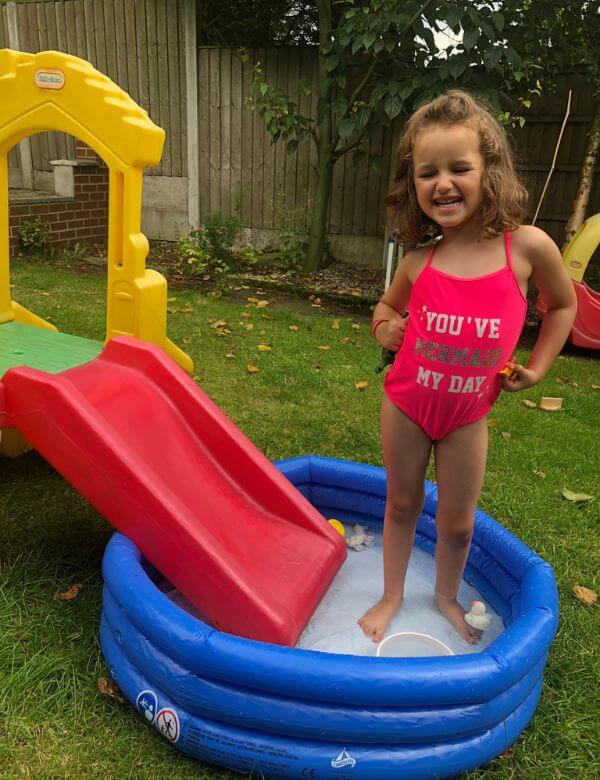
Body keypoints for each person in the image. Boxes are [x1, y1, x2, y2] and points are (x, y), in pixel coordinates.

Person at [358, 90, 576, 644]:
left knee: (457, 525)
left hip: (467, 417)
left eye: (460, 168)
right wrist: (387, 328)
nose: (443, 183)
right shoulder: (419, 260)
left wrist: (539, 365)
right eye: (427, 173)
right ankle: (390, 595)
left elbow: (564, 304)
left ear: (491, 172)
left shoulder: (525, 249)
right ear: (414, 186)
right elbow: (384, 310)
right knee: (402, 503)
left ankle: (446, 598)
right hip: (407, 404)